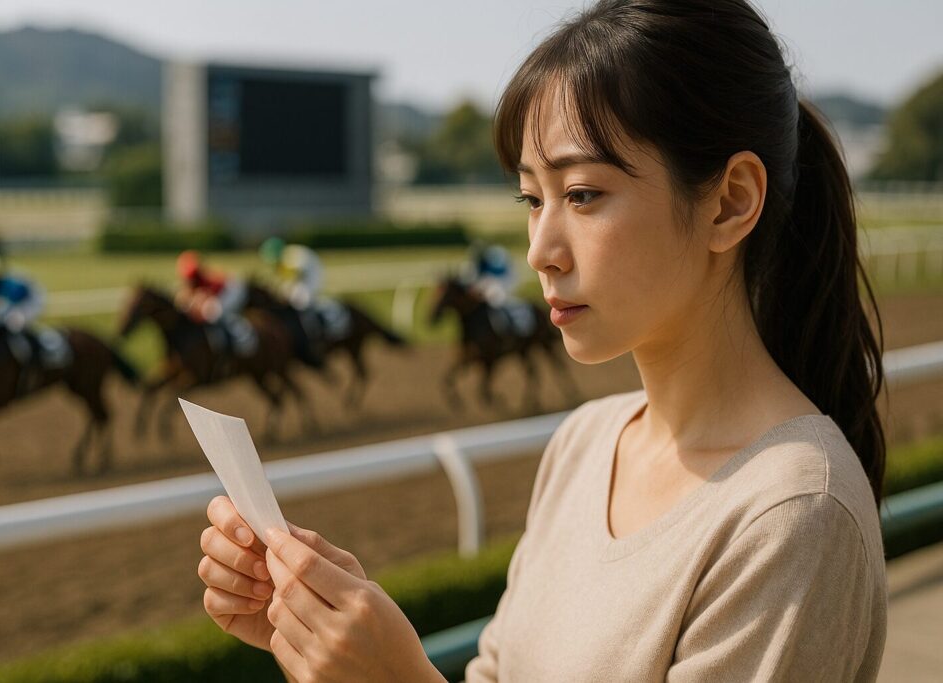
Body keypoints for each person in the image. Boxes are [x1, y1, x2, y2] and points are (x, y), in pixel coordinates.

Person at [197, 2, 889, 681]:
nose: (541, 250)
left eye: (582, 194)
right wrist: (323, 634)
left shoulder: (795, 515)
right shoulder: (583, 443)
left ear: (731, 199)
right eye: (532, 199)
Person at [0, 252, 69, 391]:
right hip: (17, 303)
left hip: (32, 301)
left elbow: (8, 307)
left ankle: (36, 362)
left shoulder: (13, 284)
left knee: (15, 324)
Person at [175, 250, 256, 357]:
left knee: (215, 313)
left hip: (232, 290)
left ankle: (242, 337)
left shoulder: (207, 281)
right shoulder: (194, 278)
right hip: (223, 290)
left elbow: (204, 299)